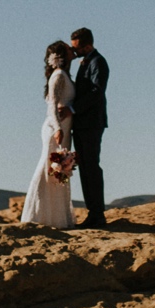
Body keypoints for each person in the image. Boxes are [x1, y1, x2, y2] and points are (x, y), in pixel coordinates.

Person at [19, 40, 76, 228]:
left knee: (60, 171)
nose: (72, 50)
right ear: (61, 55)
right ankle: (36, 215)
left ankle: (57, 218)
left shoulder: (64, 75)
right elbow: (51, 104)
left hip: (65, 127)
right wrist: (58, 127)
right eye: (68, 49)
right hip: (55, 128)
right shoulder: (58, 75)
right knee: (49, 167)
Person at [68, 27, 109, 227]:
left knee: (91, 167)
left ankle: (98, 214)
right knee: (85, 167)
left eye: (77, 49)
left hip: (92, 123)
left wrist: (72, 110)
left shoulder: (98, 62)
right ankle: (93, 212)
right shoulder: (85, 63)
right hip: (82, 124)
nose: (74, 53)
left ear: (88, 45)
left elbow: (96, 92)